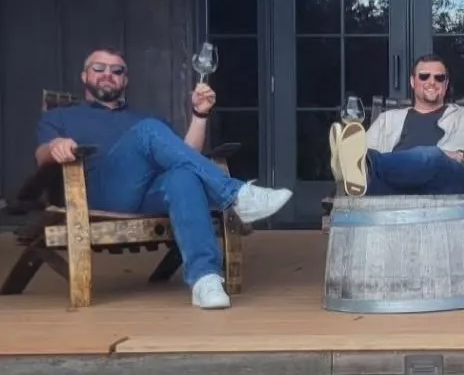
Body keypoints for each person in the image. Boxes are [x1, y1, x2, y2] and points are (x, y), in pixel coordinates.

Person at [35, 48, 293, 310]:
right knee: (148, 132)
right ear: (84, 75)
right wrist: (55, 144)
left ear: (125, 80)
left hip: (147, 195)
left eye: (117, 71)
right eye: (99, 68)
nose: (108, 75)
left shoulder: (145, 119)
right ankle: (238, 196)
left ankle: (205, 279)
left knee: (183, 177)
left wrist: (200, 115)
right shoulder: (61, 117)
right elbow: (41, 155)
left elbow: (187, 157)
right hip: (99, 194)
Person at [328, 54, 464, 197]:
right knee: (365, 163)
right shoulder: (387, 120)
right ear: (412, 81)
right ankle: (345, 165)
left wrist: (459, 156)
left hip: (449, 189)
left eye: (439, 78)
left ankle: (347, 165)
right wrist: (359, 163)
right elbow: (360, 157)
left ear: (446, 84)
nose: (432, 82)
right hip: (394, 192)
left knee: (432, 155)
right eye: (424, 76)